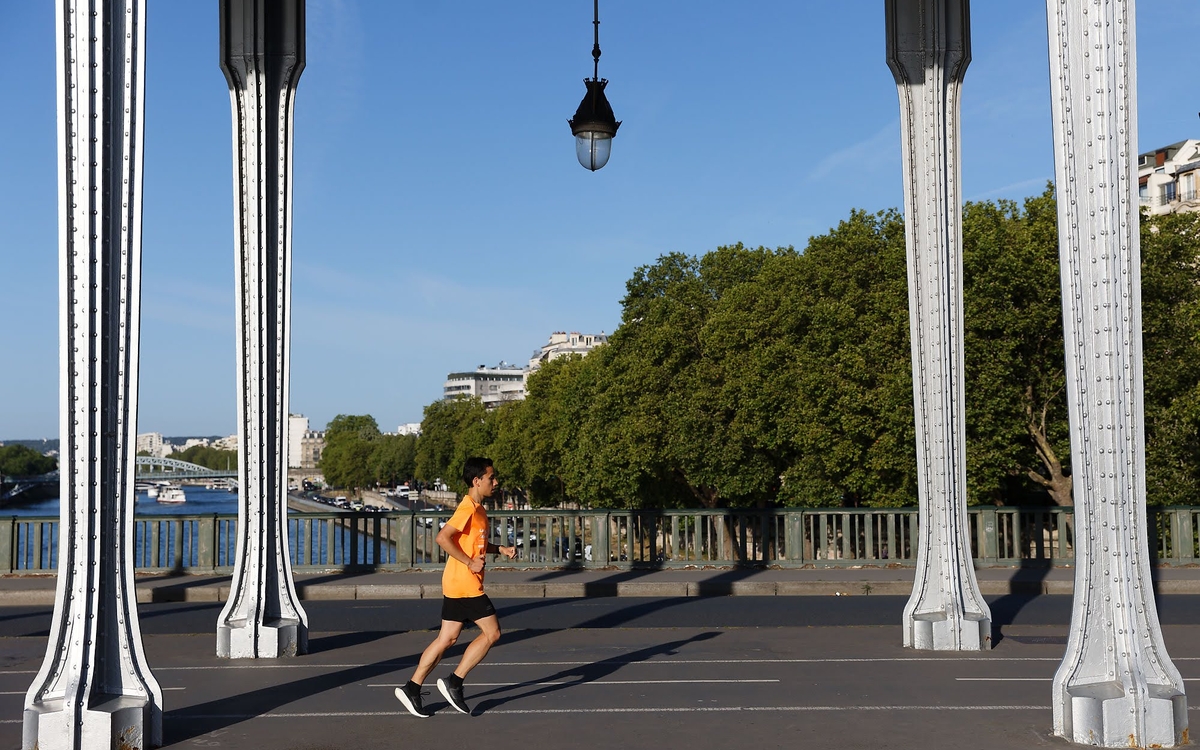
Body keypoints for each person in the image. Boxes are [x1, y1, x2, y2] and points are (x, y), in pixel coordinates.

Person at [395, 457, 516, 717]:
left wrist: (500, 549)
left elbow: (474, 544)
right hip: (465, 584)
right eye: (491, 478)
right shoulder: (468, 508)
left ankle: (412, 687)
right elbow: (443, 538)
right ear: (477, 481)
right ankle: (455, 682)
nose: (496, 482)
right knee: (492, 633)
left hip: (456, 582)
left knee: (447, 639)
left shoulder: (479, 510)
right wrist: (469, 562)